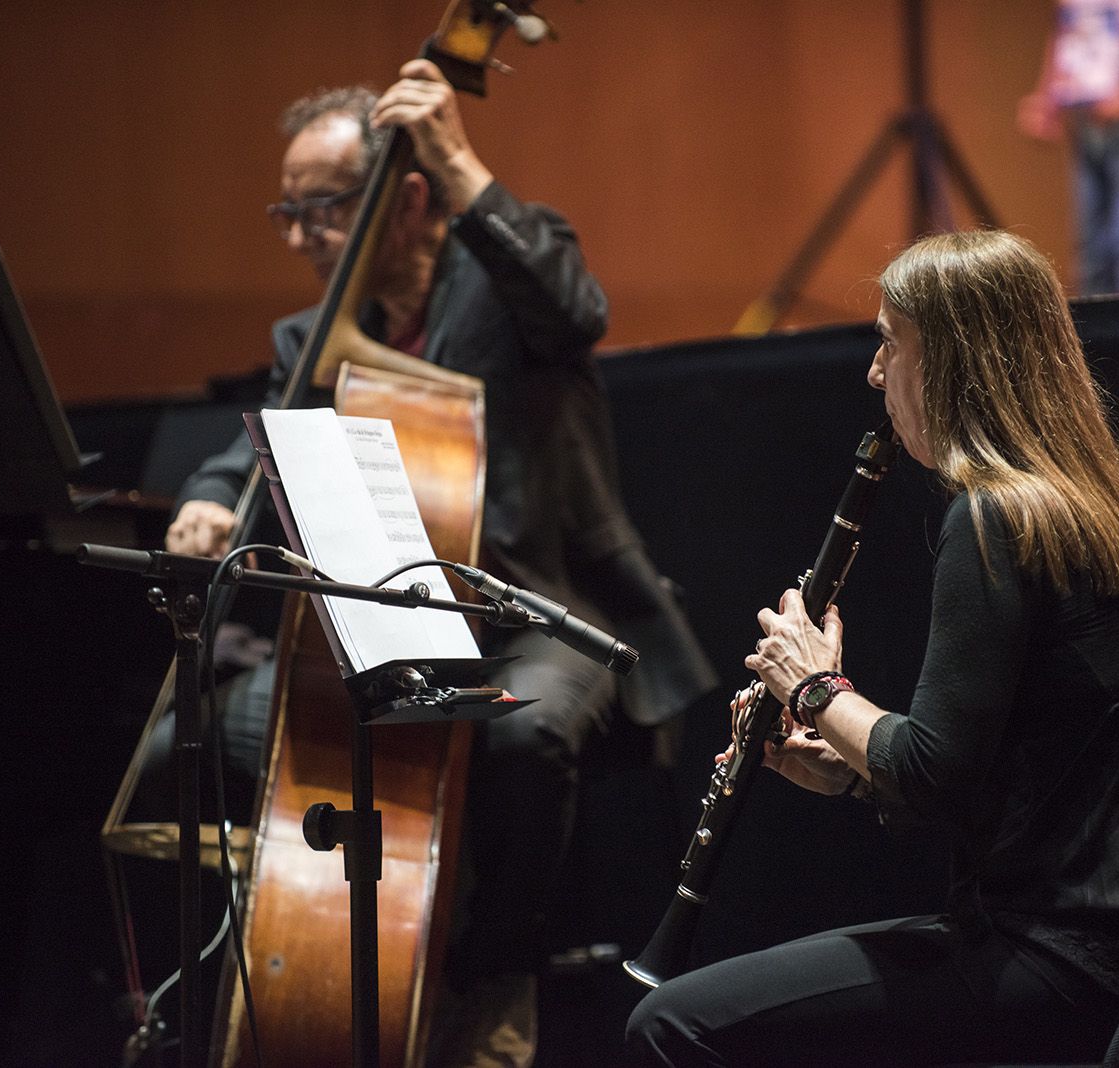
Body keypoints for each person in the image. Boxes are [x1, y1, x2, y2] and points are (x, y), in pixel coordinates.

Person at [159, 60, 716, 1067]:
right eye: (286, 212)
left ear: (404, 200)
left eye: (322, 209)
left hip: (537, 618)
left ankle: (493, 976)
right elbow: (260, 438)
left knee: (521, 738)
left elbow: (575, 308)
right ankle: (306, 945)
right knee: (193, 735)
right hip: (382, 625)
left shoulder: (503, 285)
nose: (298, 238)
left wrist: (457, 156)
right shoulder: (318, 335)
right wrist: (206, 494)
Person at [624, 230, 1119, 1066]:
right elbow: (993, 779)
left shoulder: (994, 520)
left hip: (1064, 958)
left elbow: (932, 771)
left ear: (952, 361)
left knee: (672, 1024)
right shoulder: (1088, 510)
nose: (874, 372)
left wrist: (813, 687)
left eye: (888, 342)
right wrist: (844, 762)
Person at [1018, 0, 1119, 295]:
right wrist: (1047, 97)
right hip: (1087, 113)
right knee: (1092, 248)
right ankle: (1096, 338)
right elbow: (1066, 29)